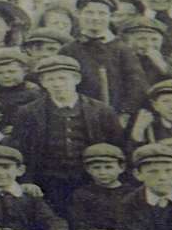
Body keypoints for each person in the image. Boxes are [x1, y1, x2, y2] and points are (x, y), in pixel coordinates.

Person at [11, 55, 125, 217]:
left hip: (90, 181)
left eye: (62, 78)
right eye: (50, 79)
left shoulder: (101, 111)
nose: (57, 84)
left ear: (76, 79)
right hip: (46, 182)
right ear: (43, 83)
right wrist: (26, 180)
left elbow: (118, 146)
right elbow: (19, 149)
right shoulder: (28, 112)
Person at [66, 143, 129, 230]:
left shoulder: (131, 193)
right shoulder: (82, 193)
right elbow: (79, 221)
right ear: (88, 170)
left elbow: (136, 222)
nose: (102, 172)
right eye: (96, 168)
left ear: (121, 168)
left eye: (108, 167)